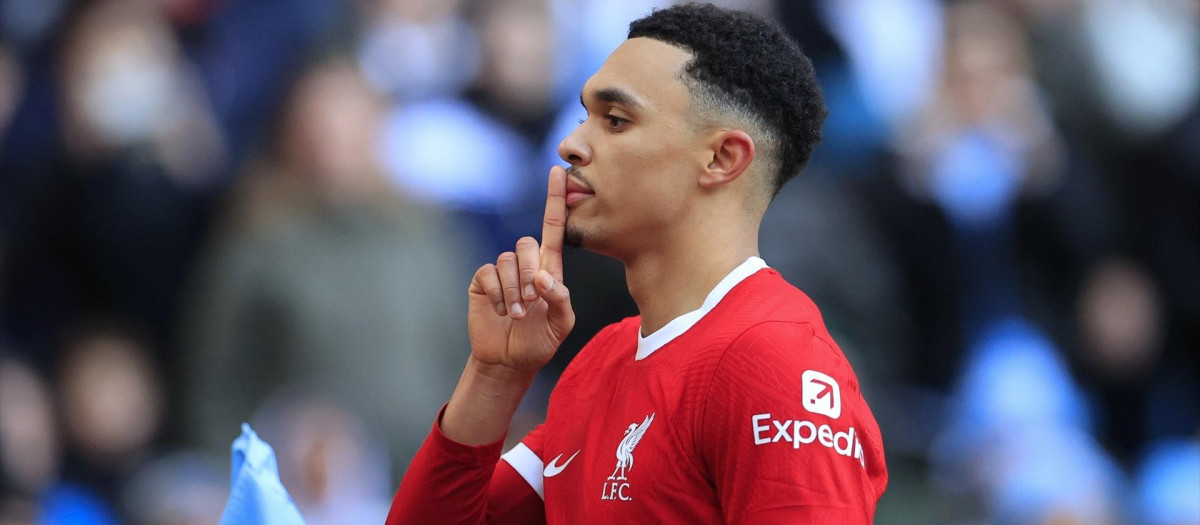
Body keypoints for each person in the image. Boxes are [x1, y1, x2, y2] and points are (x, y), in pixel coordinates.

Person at [387, 4, 888, 523]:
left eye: (616, 120)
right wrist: (494, 377)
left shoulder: (775, 362)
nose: (571, 144)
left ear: (721, 159)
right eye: (585, 117)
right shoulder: (603, 361)